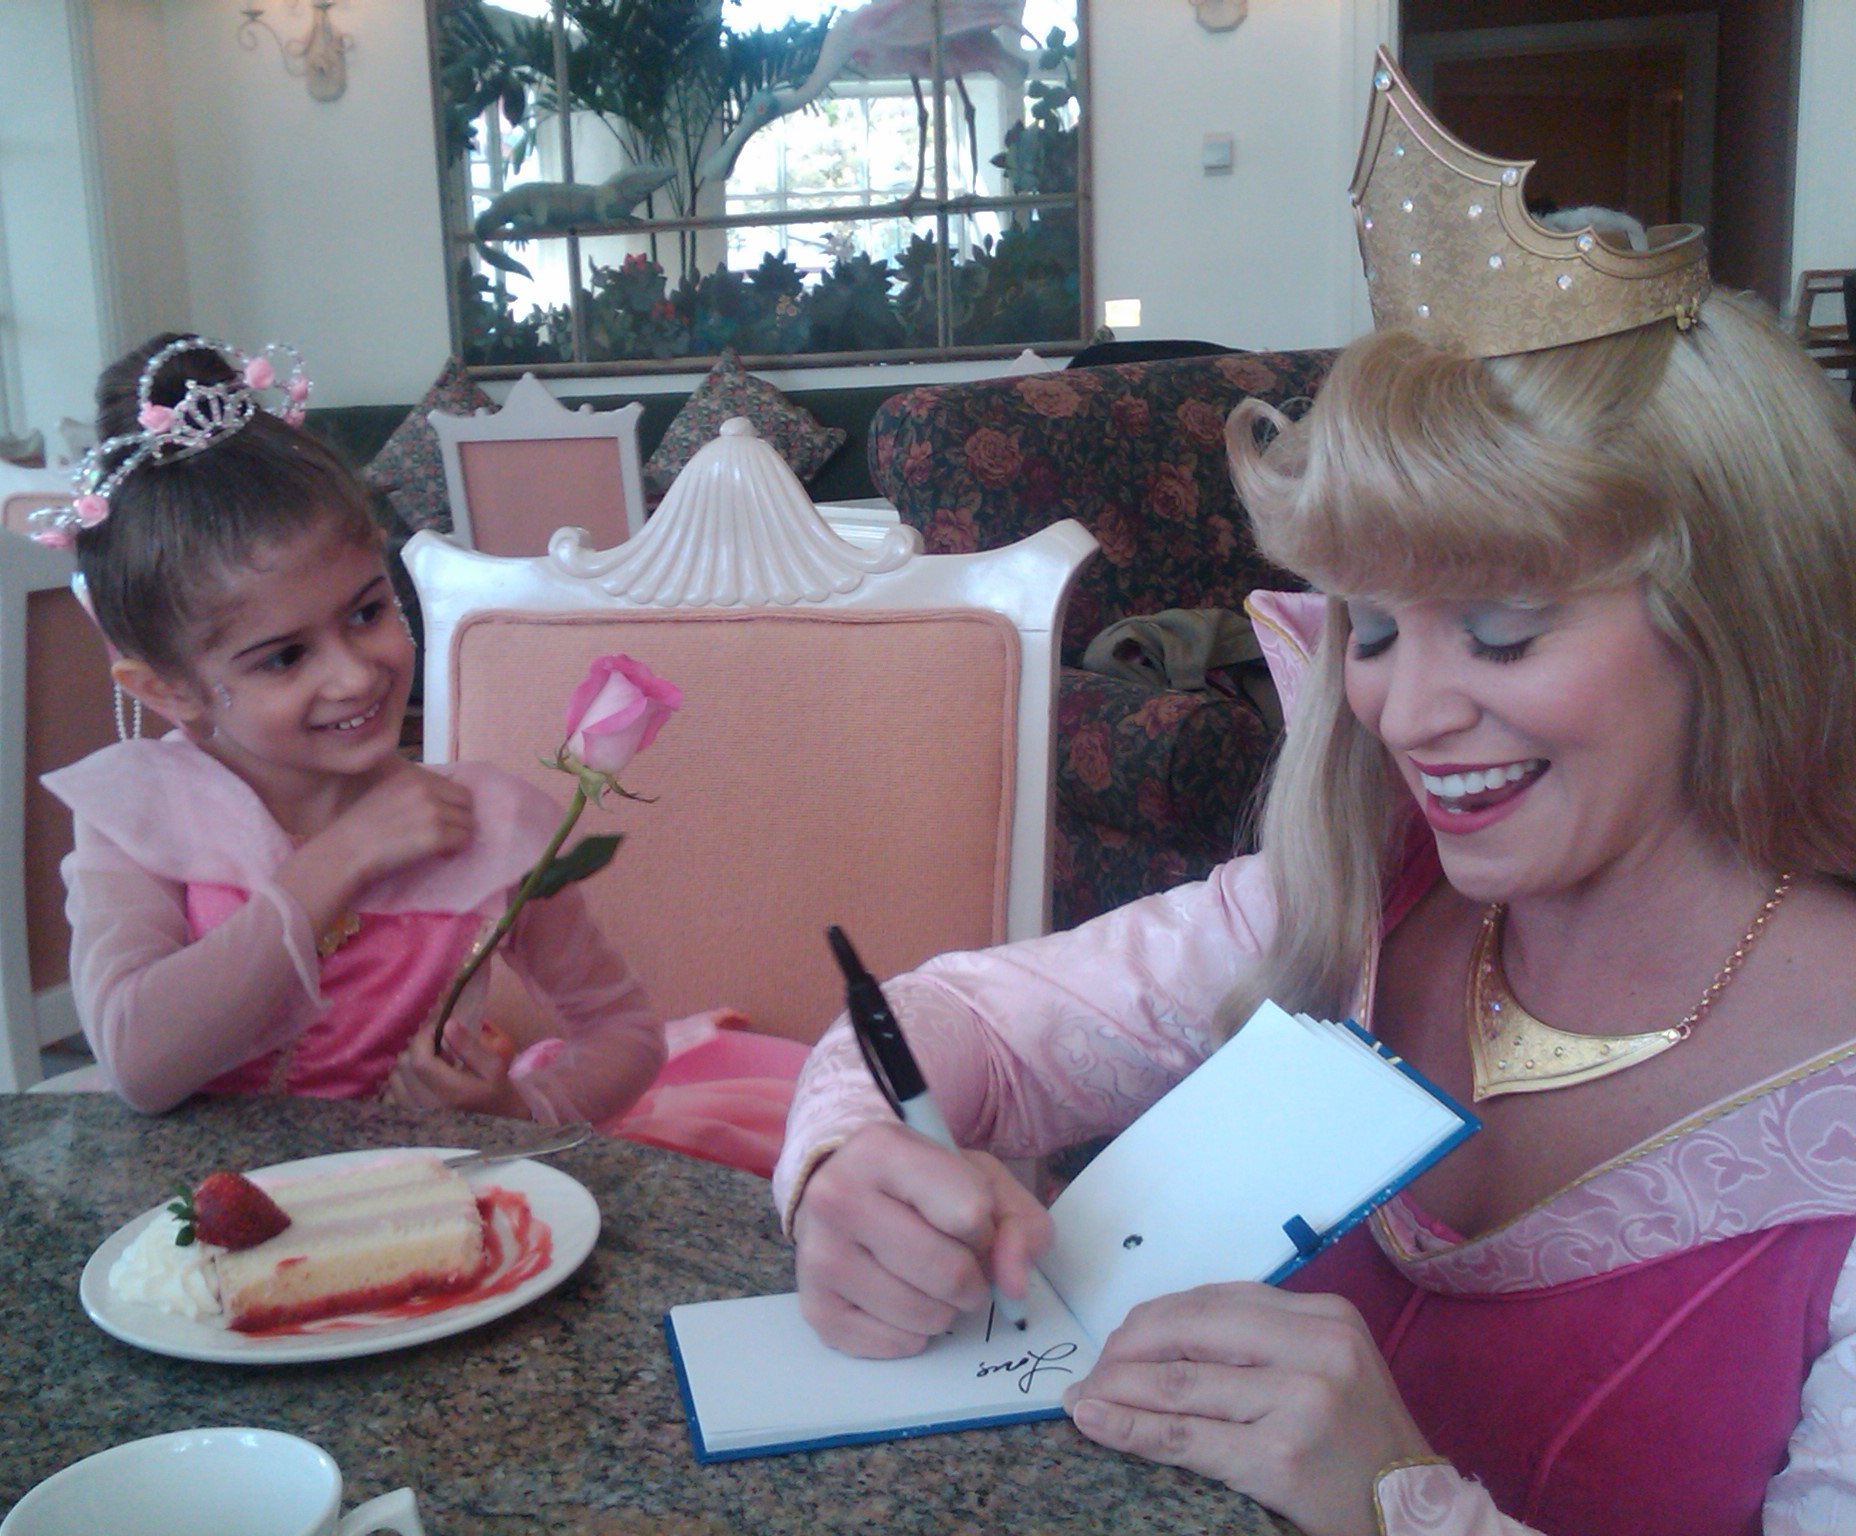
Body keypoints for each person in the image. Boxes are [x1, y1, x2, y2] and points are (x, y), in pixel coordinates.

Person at [773, 52, 1856, 1536]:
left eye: (1501, 630)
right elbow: (955, 1024)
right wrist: (848, 1165)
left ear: (1732, 616)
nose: (1404, 712)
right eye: (1374, 627)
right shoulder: (1355, 900)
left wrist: (1401, 1504)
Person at [39, 333, 665, 1119]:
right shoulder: (143, 819)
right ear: (169, 691)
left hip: (419, 1185)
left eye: (367, 612)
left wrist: (515, 1111)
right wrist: (343, 857)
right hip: (197, 1191)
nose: (356, 675)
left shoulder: (489, 824)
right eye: (285, 657)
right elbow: (139, 1064)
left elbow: (624, 1032)